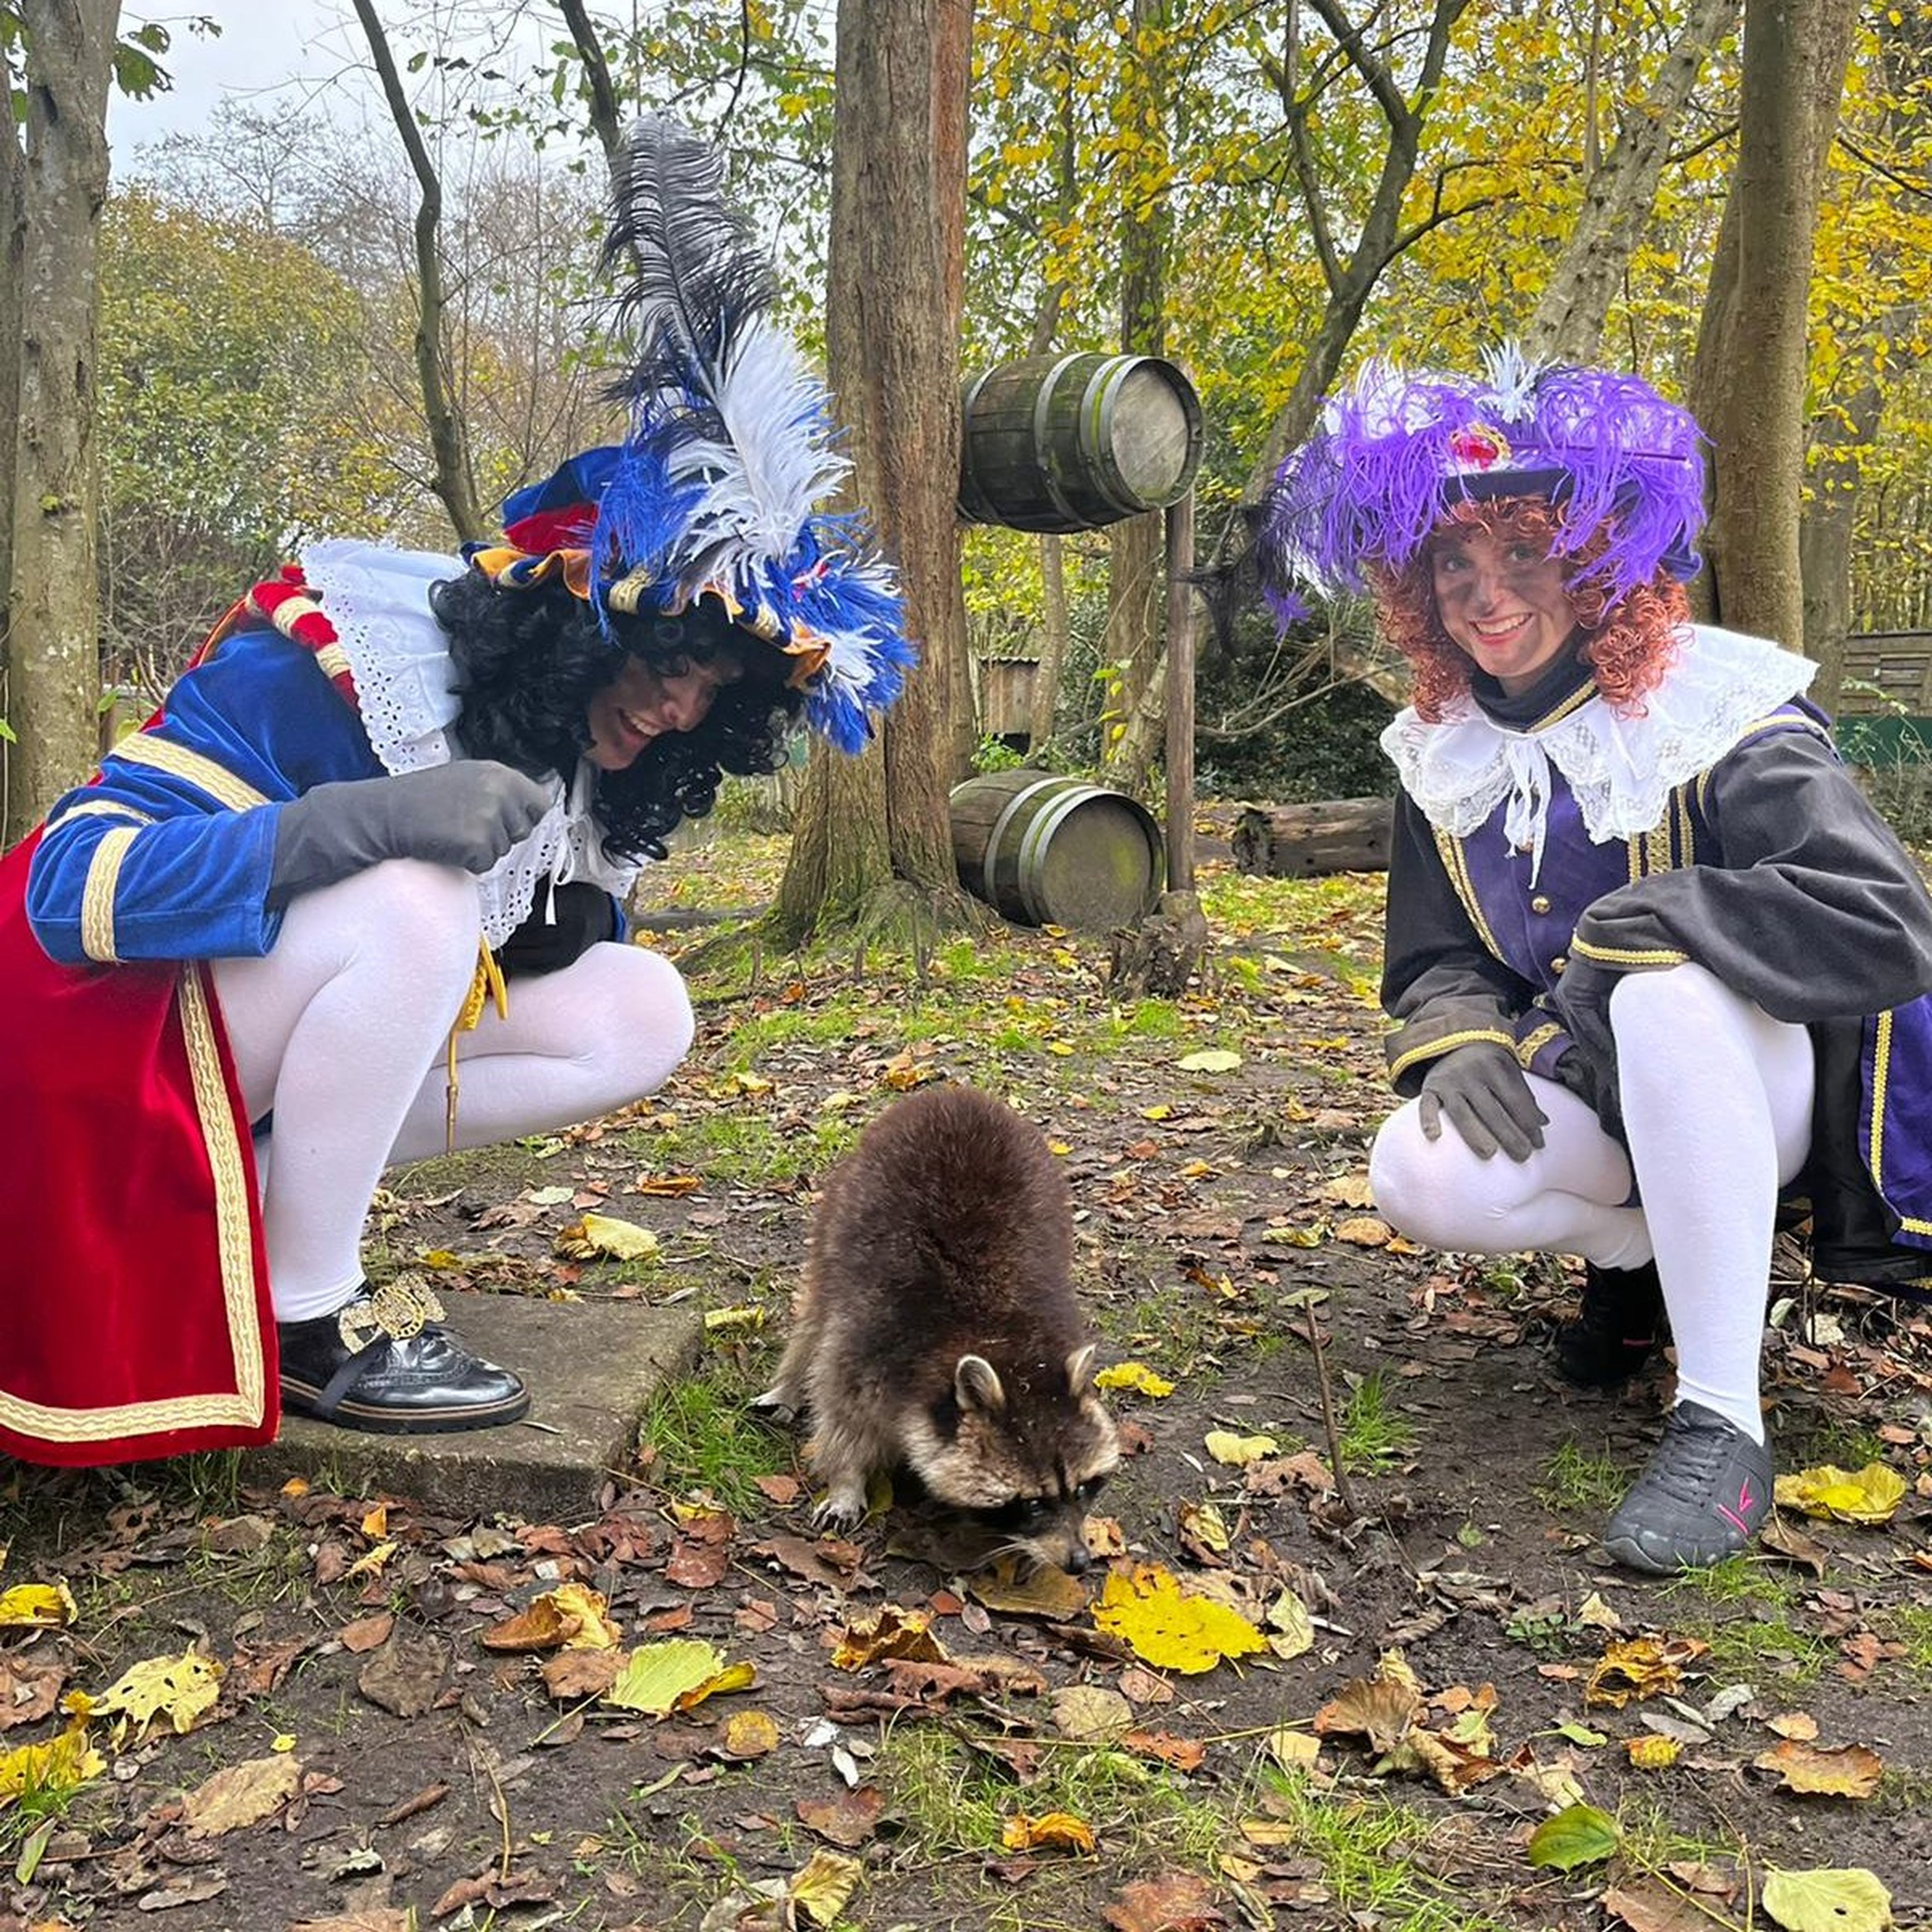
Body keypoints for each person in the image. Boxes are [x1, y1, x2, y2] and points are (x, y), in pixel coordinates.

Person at [0, 116, 911, 1468]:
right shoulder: (329, 664)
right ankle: (310, 1317)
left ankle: (251, 1213)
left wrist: (557, 917)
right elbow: (67, 890)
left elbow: (497, 976)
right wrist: (349, 828)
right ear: (579, 629)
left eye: (712, 696)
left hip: (218, 1072)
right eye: (667, 662)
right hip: (67, 1053)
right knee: (417, 903)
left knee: (641, 1007)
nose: (678, 709)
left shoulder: (585, 779)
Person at [1258, 349, 1932, 1572]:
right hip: (1590, 1081)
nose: (1486, 596)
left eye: (1523, 553)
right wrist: (1457, 1040)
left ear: (1595, 561)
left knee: (1667, 999)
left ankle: (1723, 1420)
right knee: (1418, 1174)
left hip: (1772, 1094)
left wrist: (1649, 925)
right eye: (1454, 565)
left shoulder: (1717, 713)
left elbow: (1886, 919)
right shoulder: (1442, 750)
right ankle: (1651, 1262)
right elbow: (1434, 956)